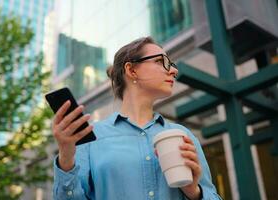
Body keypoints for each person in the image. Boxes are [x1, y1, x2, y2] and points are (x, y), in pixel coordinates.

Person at [52, 37, 222, 200]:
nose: (174, 70)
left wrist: (194, 191)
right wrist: (66, 155)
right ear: (131, 70)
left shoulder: (182, 135)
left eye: (171, 64)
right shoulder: (91, 137)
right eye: (160, 61)